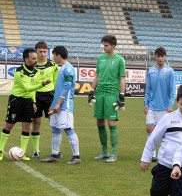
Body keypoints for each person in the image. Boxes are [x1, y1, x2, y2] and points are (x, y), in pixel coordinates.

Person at [88, 34, 126, 163]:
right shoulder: (100, 58)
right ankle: (104, 151)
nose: (104, 47)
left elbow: (122, 78)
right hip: (100, 93)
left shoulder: (119, 60)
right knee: (99, 121)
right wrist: (92, 91)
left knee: (111, 123)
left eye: (106, 45)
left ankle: (114, 153)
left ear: (113, 46)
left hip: (111, 94)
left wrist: (122, 95)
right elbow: (97, 76)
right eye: (103, 45)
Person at [40, 46, 81, 165]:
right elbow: (58, 89)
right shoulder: (62, 68)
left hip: (65, 105)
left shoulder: (68, 69)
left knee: (68, 128)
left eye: (54, 55)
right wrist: (53, 104)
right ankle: (55, 154)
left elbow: (67, 88)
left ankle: (76, 156)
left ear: (58, 55)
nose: (53, 58)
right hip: (57, 103)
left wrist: (58, 104)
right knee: (55, 128)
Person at [0, 48, 42, 161]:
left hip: (28, 102)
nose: (36, 60)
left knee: (27, 126)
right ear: (26, 59)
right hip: (16, 101)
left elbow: (33, 90)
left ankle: (22, 153)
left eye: (36, 58)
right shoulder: (19, 72)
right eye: (33, 58)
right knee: (9, 125)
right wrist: (42, 84)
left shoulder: (36, 72)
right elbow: (27, 88)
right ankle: (0, 150)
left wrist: (33, 101)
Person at [144, 47, 176, 161]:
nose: (160, 58)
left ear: (165, 57)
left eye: (162, 56)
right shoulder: (151, 71)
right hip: (152, 106)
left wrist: (170, 105)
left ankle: (165, 154)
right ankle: (152, 154)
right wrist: (145, 103)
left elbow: (172, 90)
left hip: (164, 107)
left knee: (164, 133)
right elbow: (148, 89)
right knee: (149, 128)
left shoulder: (170, 71)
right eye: (158, 56)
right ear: (155, 57)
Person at [30, 41, 59, 159]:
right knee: (36, 122)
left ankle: (56, 150)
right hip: (36, 96)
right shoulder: (32, 65)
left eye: (44, 51)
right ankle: (36, 150)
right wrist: (33, 100)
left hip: (49, 97)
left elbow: (56, 82)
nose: (42, 54)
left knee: (54, 123)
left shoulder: (53, 65)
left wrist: (56, 98)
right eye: (40, 51)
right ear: (36, 51)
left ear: (47, 51)